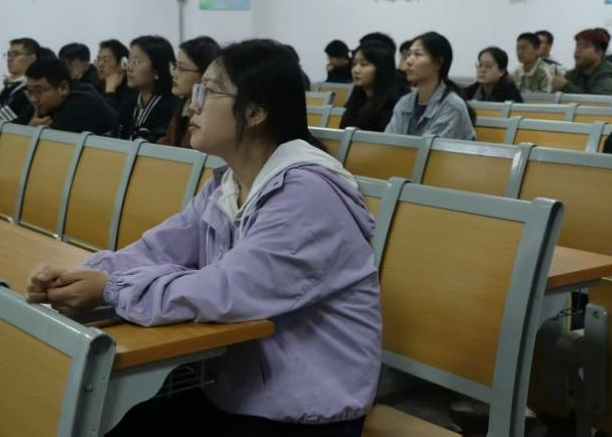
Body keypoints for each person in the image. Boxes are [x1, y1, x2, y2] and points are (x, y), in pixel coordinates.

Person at [26, 39, 380, 437]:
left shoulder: (307, 195)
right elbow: (159, 248)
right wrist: (78, 276)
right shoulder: (229, 183)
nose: (191, 105)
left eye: (208, 92)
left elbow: (225, 289)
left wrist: (110, 289)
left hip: (306, 411)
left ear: (255, 111)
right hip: (238, 389)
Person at [385, 32, 475, 140]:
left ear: (438, 63)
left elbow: (430, 149)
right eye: (409, 54)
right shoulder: (404, 102)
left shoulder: (452, 106)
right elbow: (388, 143)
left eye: (418, 54)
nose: (408, 61)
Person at [15, 58, 116, 134]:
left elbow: (54, 148)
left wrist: (30, 133)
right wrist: (29, 129)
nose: (33, 99)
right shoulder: (43, 103)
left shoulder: (80, 103)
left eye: (37, 92)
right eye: (29, 92)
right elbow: (11, 128)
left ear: (63, 88)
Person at [111, 36, 179, 142]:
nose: (128, 67)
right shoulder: (129, 104)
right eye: (129, 60)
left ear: (157, 70)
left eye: (137, 62)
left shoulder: (172, 108)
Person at [159, 36, 222, 149]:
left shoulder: (210, 111)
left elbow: (191, 149)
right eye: (175, 66)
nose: (174, 74)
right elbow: (168, 142)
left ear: (206, 73)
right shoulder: (186, 102)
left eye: (182, 69)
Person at [340, 43, 403, 132]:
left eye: (364, 64)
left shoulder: (394, 103)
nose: (356, 70)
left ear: (382, 68)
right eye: (354, 63)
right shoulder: (357, 98)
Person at [0, 37, 38, 123]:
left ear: (32, 59)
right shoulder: (9, 86)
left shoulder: (28, 89)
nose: (9, 59)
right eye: (9, 55)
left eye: (16, 54)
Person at [553, 28, 612, 95]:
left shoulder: (608, 75)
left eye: (585, 47)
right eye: (577, 46)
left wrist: (565, 86)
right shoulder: (572, 74)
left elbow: (598, 101)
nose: (578, 50)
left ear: (599, 53)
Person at [97, 39, 134, 111]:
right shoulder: (96, 87)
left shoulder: (132, 90)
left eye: (106, 60)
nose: (100, 64)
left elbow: (109, 116)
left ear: (123, 63)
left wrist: (110, 91)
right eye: (98, 60)